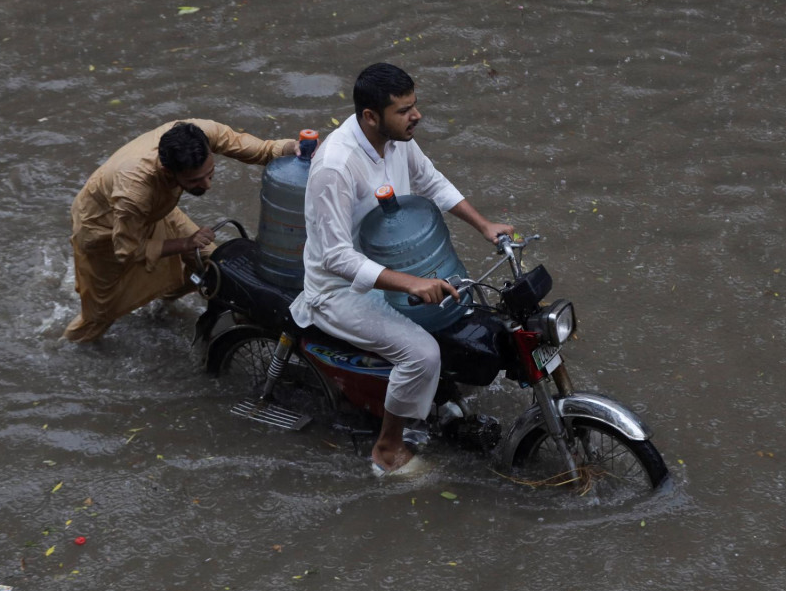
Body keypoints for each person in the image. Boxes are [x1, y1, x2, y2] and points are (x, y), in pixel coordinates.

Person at [289, 64, 514, 476]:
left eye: (415, 105)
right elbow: (335, 257)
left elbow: (431, 181)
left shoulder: (396, 140)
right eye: (404, 110)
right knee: (422, 353)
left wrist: (485, 226)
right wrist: (411, 281)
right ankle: (387, 450)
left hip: (392, 270)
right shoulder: (336, 167)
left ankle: (435, 405)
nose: (416, 116)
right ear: (370, 117)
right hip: (340, 290)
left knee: (466, 307)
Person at [64, 119, 297, 342]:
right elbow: (127, 249)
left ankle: (162, 304)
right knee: (100, 315)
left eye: (210, 173)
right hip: (103, 231)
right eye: (196, 181)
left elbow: (262, 150)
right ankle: (69, 347)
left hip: (156, 212)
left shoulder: (200, 133)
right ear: (168, 172)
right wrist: (185, 243)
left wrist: (293, 147)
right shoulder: (134, 193)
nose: (208, 185)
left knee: (214, 267)